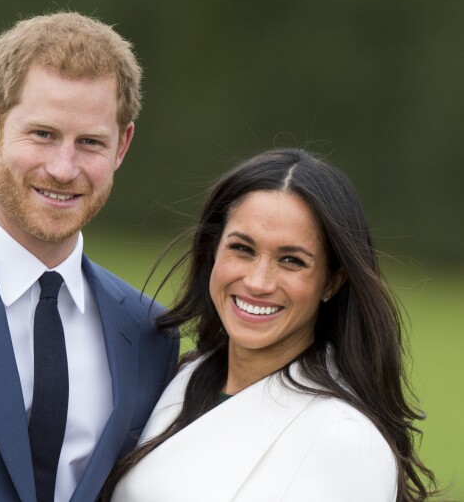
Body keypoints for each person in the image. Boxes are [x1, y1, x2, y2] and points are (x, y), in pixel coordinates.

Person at [0, 12, 178, 502]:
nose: (63, 169)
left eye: (90, 142)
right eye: (42, 134)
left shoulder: (149, 335)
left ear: (122, 146)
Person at [103, 148, 438, 502]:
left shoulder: (344, 438)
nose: (258, 282)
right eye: (243, 249)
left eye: (291, 260)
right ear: (213, 251)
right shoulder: (180, 379)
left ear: (331, 282)